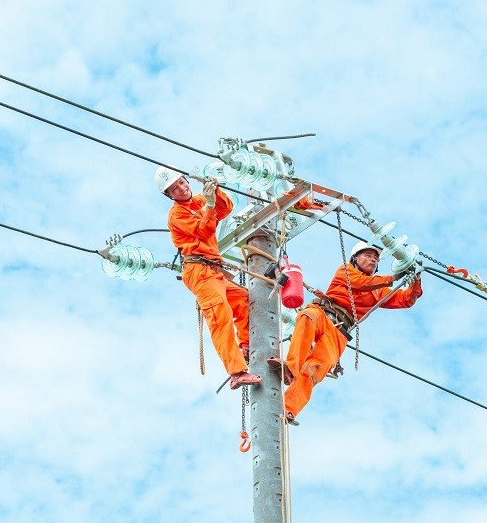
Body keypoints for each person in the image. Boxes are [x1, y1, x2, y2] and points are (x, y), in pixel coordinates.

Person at [270, 241, 423, 424]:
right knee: (307, 318)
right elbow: (361, 283)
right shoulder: (345, 271)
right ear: (355, 259)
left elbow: (406, 300)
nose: (372, 260)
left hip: (338, 333)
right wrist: (394, 277)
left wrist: (416, 278)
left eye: (375, 259)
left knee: (314, 370)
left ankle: (288, 409)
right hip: (322, 314)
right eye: (367, 256)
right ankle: (290, 368)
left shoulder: (379, 291)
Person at [154, 166, 261, 390]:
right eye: (175, 188)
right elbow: (204, 231)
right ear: (169, 195)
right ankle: (237, 372)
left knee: (244, 300)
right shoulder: (177, 214)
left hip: (213, 270)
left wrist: (215, 190)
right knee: (219, 314)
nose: (182, 189)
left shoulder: (199, 201)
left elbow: (226, 208)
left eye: (182, 183)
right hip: (199, 271)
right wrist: (210, 205)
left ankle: (246, 347)